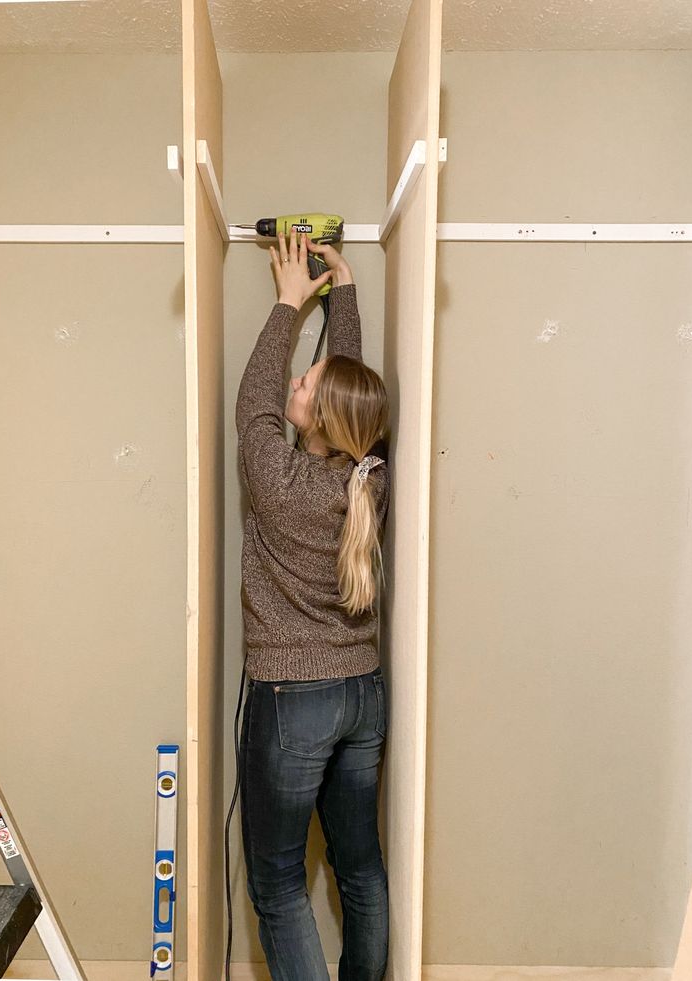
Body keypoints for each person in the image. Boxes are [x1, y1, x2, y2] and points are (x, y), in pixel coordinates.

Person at [234, 227, 391, 980]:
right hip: (362, 693)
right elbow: (346, 395)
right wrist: (346, 291)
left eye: (307, 383)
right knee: (359, 867)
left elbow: (254, 406)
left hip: (292, 701)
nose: (293, 380)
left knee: (279, 883)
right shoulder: (369, 479)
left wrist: (289, 305)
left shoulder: (280, 481)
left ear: (322, 420)